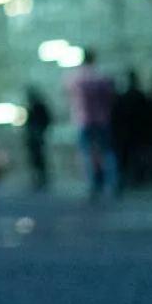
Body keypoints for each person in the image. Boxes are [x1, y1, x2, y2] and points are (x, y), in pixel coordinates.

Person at [65, 48, 118, 198]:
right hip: (102, 119)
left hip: (84, 120)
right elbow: (111, 96)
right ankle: (111, 182)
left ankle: (93, 184)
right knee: (107, 152)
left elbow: (68, 94)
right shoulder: (101, 75)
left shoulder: (75, 77)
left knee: (88, 153)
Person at [23, 87, 52, 191]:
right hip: (33, 137)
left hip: (38, 136)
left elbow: (47, 119)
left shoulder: (38, 107)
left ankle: (42, 178)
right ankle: (37, 178)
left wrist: (42, 130)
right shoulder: (31, 107)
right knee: (35, 159)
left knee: (40, 158)